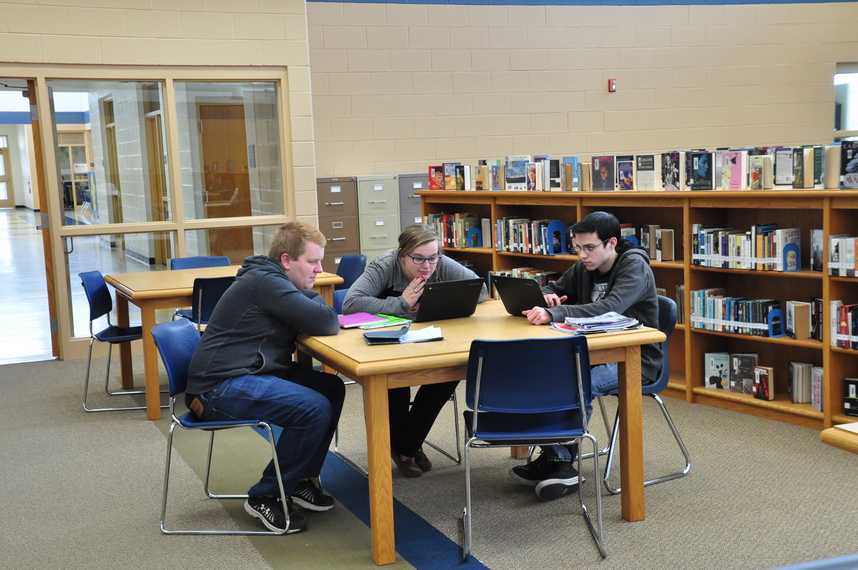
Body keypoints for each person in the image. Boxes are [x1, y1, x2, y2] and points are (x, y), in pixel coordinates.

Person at [185, 221, 344, 534]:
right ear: (286, 260)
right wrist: (310, 299)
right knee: (314, 407)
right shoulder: (266, 282)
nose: (319, 270)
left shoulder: (272, 280)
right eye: (311, 262)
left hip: (249, 371)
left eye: (319, 262)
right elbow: (327, 321)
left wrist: (306, 296)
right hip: (217, 388)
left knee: (331, 388)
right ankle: (265, 495)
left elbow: (317, 314)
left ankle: (297, 480)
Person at [513, 211, 662, 501]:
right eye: (578, 248)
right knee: (550, 374)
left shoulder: (634, 267)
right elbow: (555, 287)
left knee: (578, 384)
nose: (583, 255)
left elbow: (612, 307)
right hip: (595, 352)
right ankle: (559, 460)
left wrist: (556, 312)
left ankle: (561, 464)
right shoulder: (586, 265)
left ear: (611, 243)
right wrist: (547, 296)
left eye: (589, 247)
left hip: (636, 359)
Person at [342, 223, 488, 477]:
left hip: (428, 339)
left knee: (449, 374)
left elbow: (481, 289)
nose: (427, 266)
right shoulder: (385, 264)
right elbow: (351, 303)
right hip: (386, 343)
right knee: (396, 383)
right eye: (418, 259)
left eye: (432, 258)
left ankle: (404, 444)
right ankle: (408, 446)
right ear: (402, 253)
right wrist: (401, 303)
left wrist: (442, 300)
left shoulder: (439, 262)